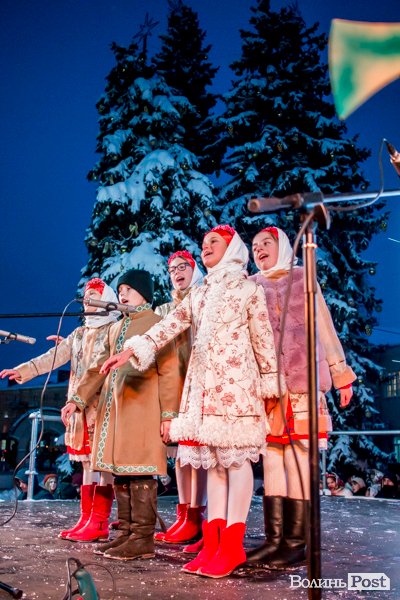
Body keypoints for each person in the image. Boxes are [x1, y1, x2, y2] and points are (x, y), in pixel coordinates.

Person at [100, 225, 280, 578]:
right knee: (214, 466)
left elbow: (263, 340)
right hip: (203, 391)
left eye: (214, 242)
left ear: (231, 247)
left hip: (236, 388)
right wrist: (132, 350)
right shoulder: (199, 293)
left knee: (236, 463)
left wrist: (270, 388)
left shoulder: (248, 289)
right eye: (204, 243)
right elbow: (169, 325)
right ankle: (213, 544)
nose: (205, 247)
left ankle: (232, 546)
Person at [246, 226, 356, 569]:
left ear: (282, 246)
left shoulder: (302, 278)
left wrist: (340, 374)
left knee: (298, 458)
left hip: (303, 383)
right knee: (273, 459)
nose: (259, 249)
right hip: (269, 390)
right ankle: (275, 540)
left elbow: (324, 327)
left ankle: (297, 542)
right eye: (254, 245)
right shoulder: (252, 285)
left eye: (267, 243)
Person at [61, 269, 180, 561]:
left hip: (142, 410)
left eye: (128, 289)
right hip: (116, 411)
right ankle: (126, 533)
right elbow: (96, 369)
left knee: (140, 471)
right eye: (121, 290)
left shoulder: (157, 324)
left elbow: (169, 372)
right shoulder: (116, 328)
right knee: (121, 472)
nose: (122, 294)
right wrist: (77, 400)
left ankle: (142, 538)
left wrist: (168, 415)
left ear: (144, 293)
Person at [0, 278, 119, 541]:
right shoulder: (79, 334)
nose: (87, 301)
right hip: (79, 409)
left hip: (102, 406)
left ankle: (99, 521)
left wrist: (77, 399)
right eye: (86, 297)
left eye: (94, 296)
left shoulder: (113, 330)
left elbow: (98, 369)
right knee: (86, 463)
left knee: (101, 463)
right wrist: (22, 371)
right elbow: (52, 358)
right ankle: (87, 518)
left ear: (106, 300)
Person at [154, 250, 207, 551]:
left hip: (202, 384)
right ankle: (185, 515)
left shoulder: (203, 299)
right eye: (172, 269)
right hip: (177, 387)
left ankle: (199, 516)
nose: (177, 272)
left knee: (200, 455)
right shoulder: (166, 309)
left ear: (194, 268)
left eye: (182, 266)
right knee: (182, 455)